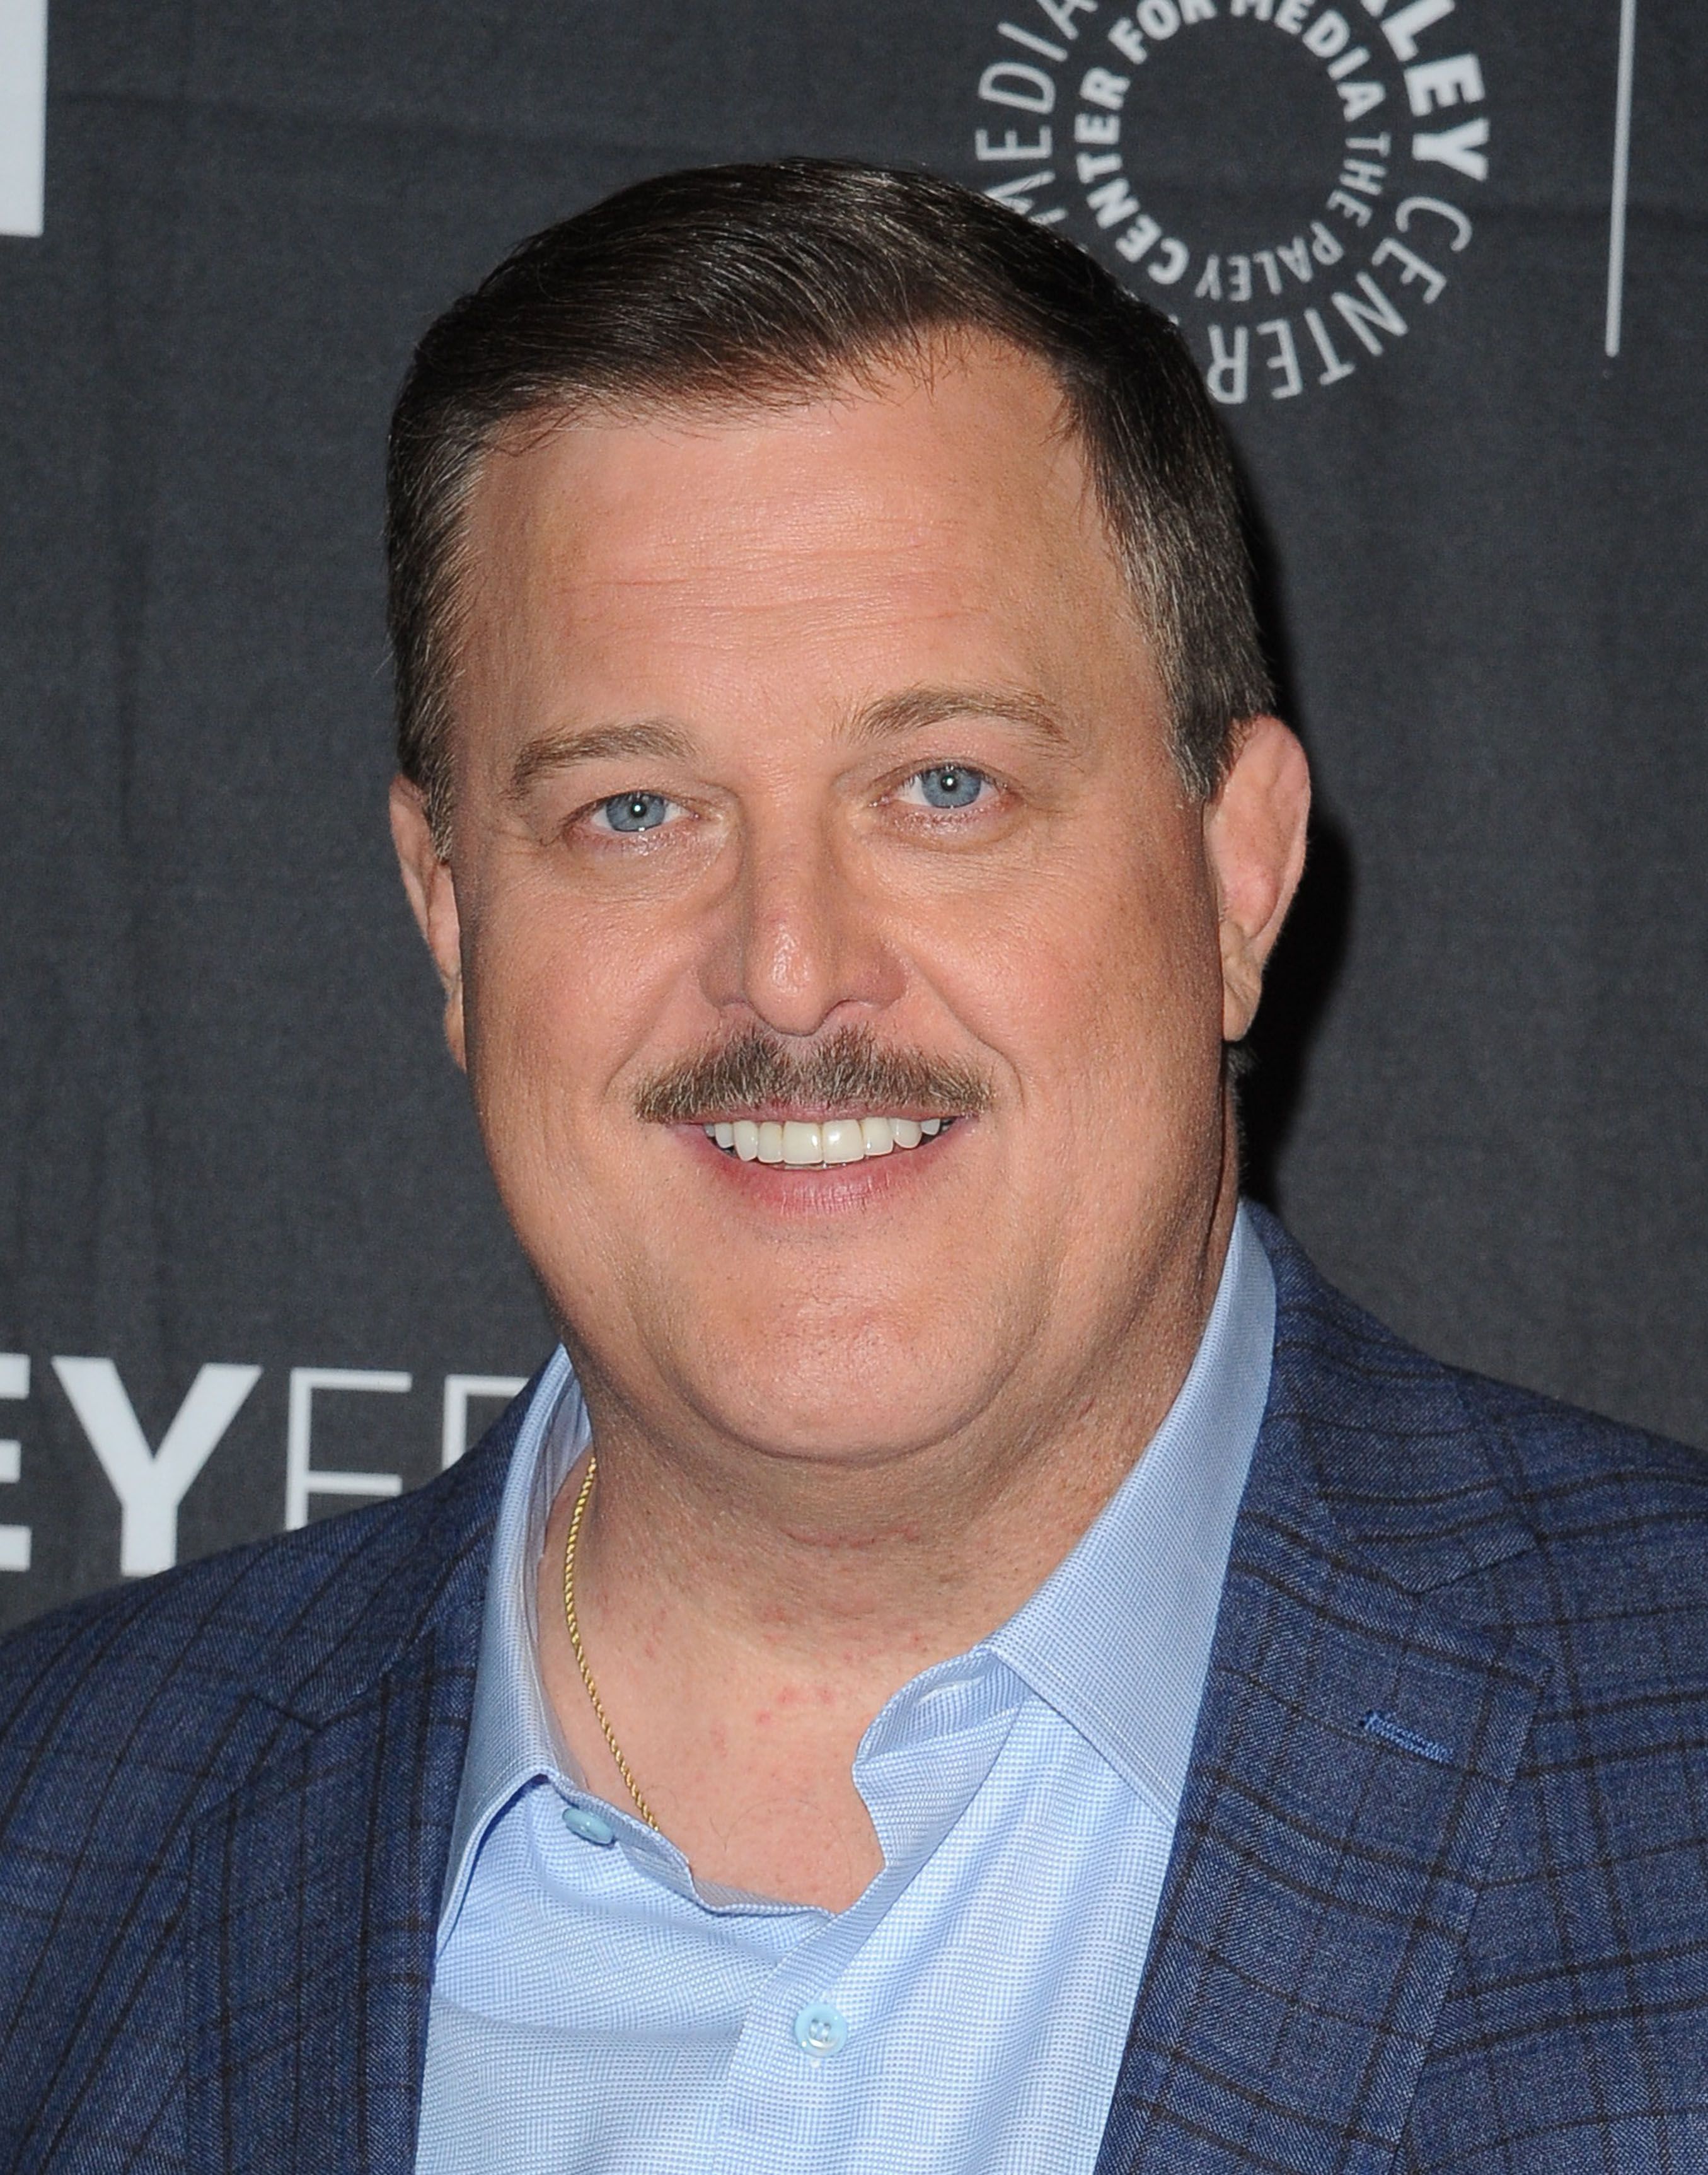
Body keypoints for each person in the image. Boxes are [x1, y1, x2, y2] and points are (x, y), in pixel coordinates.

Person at [2, 159, 1704, 2175]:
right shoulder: (54, 1826)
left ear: (1237, 870)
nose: (792, 967)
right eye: (637, 809)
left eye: (945, 785)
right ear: (450, 914)